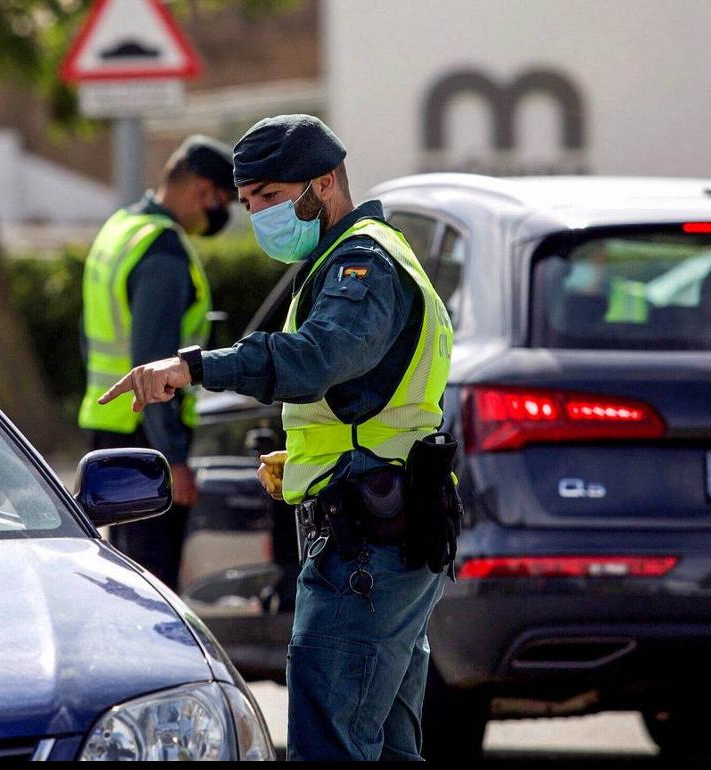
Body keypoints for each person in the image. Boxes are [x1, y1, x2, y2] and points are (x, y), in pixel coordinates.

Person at [97, 115, 455, 761]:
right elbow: (372, 391)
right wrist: (316, 454)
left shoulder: (361, 261)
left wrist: (195, 366)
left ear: (325, 182)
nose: (258, 214)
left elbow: (320, 356)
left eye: (271, 196)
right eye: (249, 200)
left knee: (331, 739)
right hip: (382, 520)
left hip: (369, 542)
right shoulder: (349, 254)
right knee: (388, 744)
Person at [77, 135, 237, 589]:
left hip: (108, 424)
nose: (218, 213)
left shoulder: (121, 227)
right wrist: (174, 459)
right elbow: (154, 365)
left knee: (124, 575)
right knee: (153, 583)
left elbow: (89, 335)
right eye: (221, 200)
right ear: (203, 191)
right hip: (147, 438)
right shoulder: (163, 251)